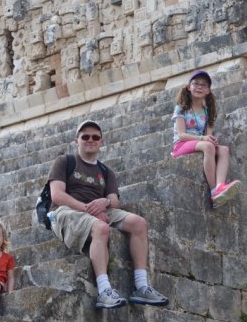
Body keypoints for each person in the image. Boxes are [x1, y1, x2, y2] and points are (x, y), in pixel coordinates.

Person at [48, 120, 169, 309]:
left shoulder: (106, 171)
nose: (90, 140)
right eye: (85, 136)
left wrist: (104, 202)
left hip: (99, 209)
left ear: (101, 142)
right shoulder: (65, 161)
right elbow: (57, 195)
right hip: (68, 210)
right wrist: (89, 209)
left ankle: (142, 286)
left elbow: (114, 200)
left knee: (139, 223)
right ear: (76, 140)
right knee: (101, 228)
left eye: (95, 137)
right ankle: (104, 291)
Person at [171, 70, 240, 208]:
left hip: (199, 143)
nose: (199, 87)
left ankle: (221, 185)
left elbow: (209, 135)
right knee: (208, 147)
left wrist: (210, 140)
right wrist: (204, 139)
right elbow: (181, 135)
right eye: (196, 83)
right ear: (188, 86)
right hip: (181, 145)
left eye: (204, 85)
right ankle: (214, 191)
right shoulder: (181, 108)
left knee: (223, 149)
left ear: (208, 90)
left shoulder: (208, 111)